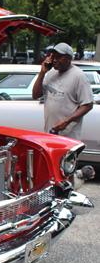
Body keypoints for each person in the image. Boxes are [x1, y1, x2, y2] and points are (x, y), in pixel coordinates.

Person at [32, 42, 95, 186]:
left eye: (59, 57)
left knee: (66, 172)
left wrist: (67, 120)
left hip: (68, 136)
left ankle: (67, 200)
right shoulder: (51, 74)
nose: (54, 60)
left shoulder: (78, 76)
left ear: (69, 58)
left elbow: (88, 104)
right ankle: (56, 200)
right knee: (51, 171)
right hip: (51, 133)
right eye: (53, 56)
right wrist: (42, 73)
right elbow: (35, 95)